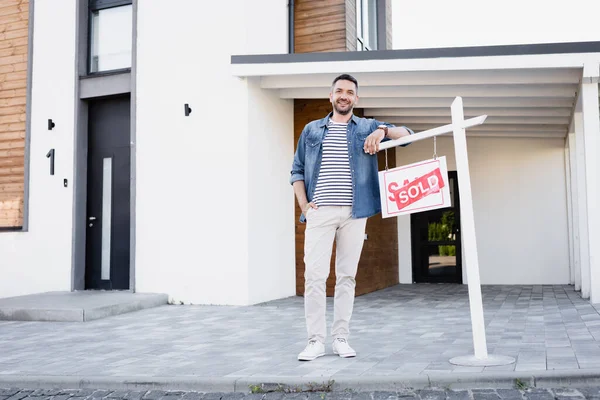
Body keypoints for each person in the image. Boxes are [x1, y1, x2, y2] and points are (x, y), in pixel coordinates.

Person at [290, 74, 414, 361]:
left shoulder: (368, 126)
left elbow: (406, 136)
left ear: (356, 99)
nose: (344, 95)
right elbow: (296, 170)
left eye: (349, 92)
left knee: (347, 277)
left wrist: (382, 131)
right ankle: (315, 341)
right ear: (331, 96)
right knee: (314, 277)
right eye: (339, 91)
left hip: (355, 213)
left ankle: (341, 338)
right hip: (319, 213)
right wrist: (305, 206)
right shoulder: (311, 130)